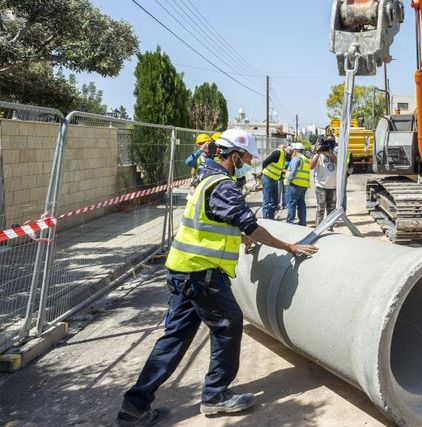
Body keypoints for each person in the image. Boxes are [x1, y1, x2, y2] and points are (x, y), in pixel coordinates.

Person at [116, 129, 318, 426]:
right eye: (247, 157)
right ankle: (215, 396)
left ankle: (134, 407)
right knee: (228, 324)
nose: (249, 162)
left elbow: (218, 221)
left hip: (183, 269)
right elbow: (248, 224)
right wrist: (287, 246)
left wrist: (242, 238)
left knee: (174, 338)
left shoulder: (205, 177)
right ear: (234, 155)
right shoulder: (223, 185)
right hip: (201, 273)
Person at [310, 135, 337, 227]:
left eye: (331, 143)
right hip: (321, 186)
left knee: (331, 209)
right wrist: (318, 152)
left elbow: (339, 165)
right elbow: (311, 166)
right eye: (326, 143)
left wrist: (331, 153)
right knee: (320, 209)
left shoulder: (335, 154)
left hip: (333, 186)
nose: (328, 145)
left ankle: (330, 227)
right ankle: (318, 228)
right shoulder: (319, 155)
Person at [260, 144, 293, 219]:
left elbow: (279, 168)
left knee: (274, 202)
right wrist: (262, 172)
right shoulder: (278, 152)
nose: (291, 151)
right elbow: (265, 162)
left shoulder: (284, 156)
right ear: (284, 148)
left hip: (274, 179)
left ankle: (271, 219)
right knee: (267, 201)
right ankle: (265, 220)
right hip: (267, 177)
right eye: (289, 149)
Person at [285, 142, 310, 226]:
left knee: (291, 204)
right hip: (304, 185)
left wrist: (289, 181)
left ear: (295, 150)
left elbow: (293, 171)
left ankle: (289, 223)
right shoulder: (305, 159)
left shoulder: (296, 158)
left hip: (295, 185)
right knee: (301, 204)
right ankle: (302, 223)